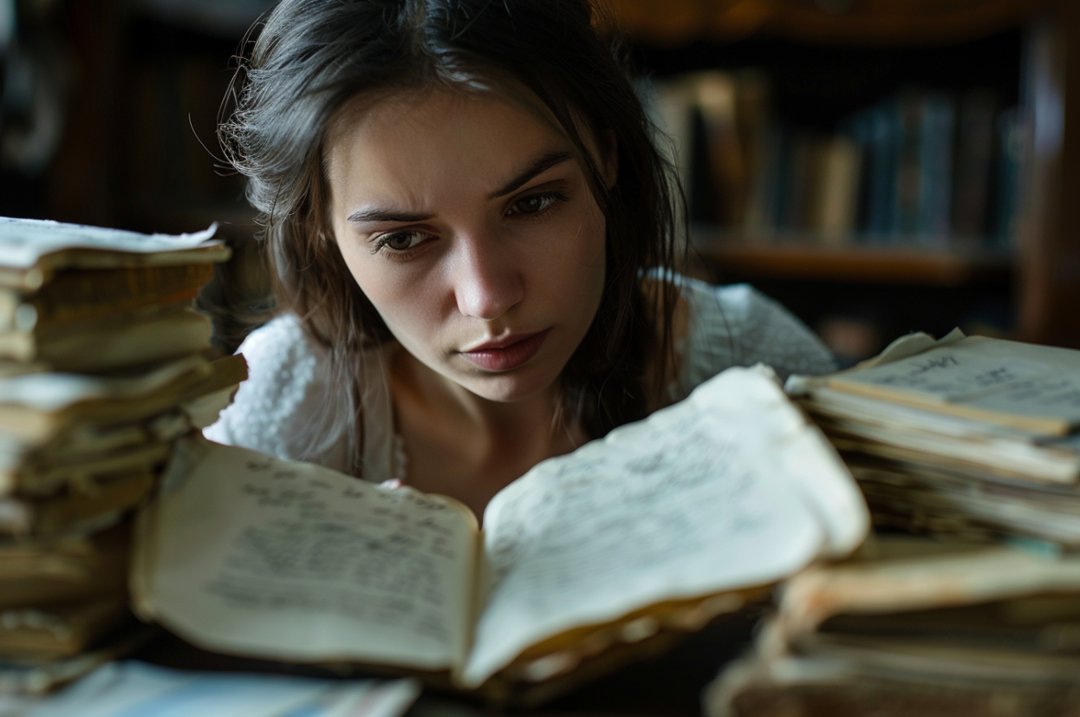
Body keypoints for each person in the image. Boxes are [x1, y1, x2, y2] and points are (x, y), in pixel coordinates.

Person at [204, 0, 836, 516]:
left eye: (533, 204)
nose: (487, 298)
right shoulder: (283, 408)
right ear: (320, 230)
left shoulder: (746, 364)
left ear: (607, 159)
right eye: (402, 239)